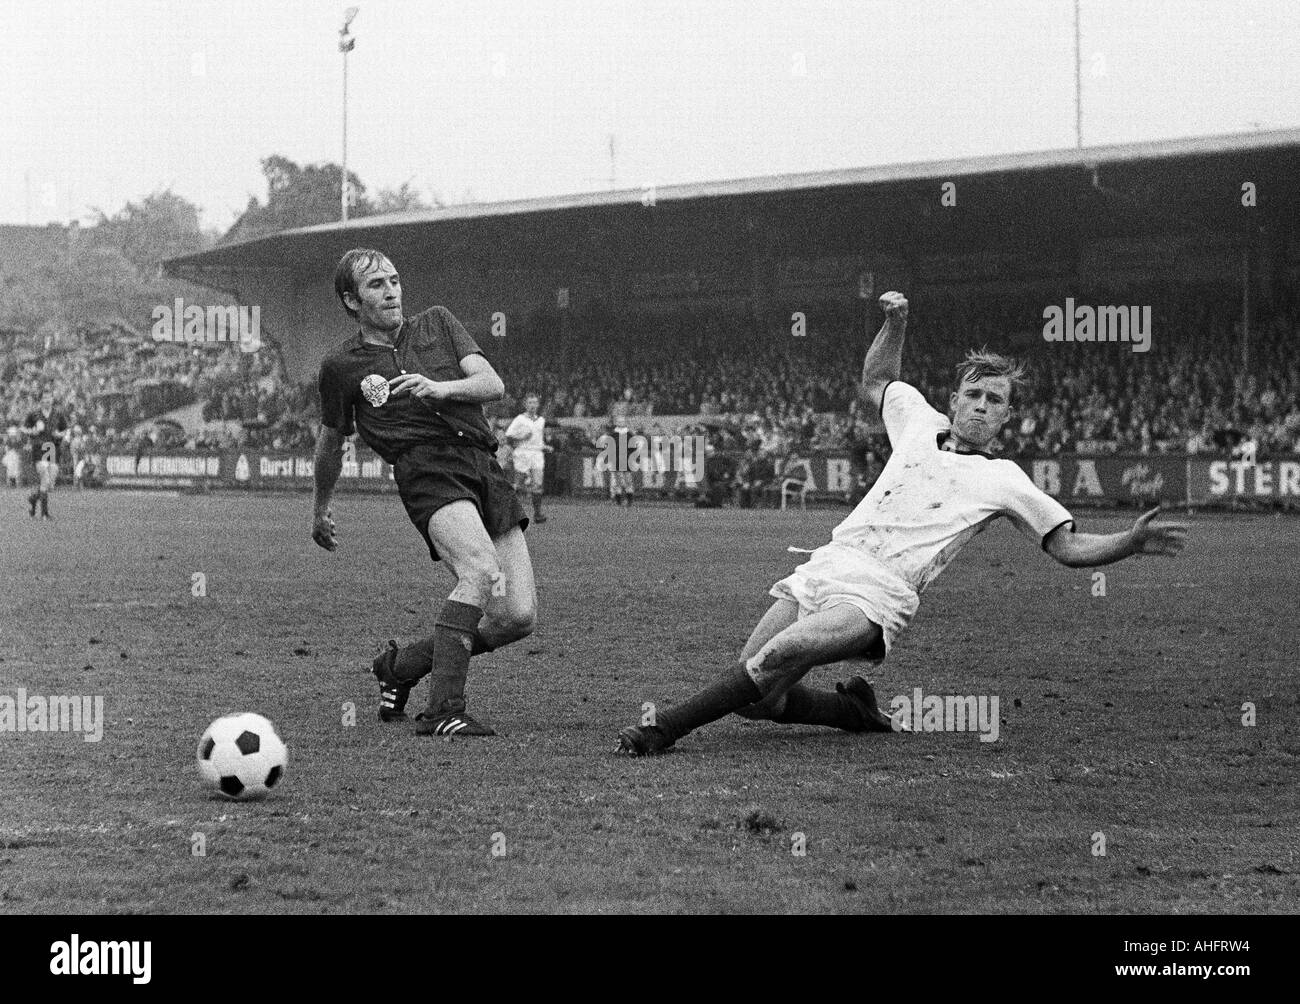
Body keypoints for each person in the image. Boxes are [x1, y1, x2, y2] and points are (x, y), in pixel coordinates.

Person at [617, 292, 1189, 756]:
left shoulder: (1006, 480)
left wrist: (1128, 542)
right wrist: (896, 321)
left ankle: (663, 729)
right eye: (975, 394)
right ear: (955, 398)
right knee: (756, 701)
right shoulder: (918, 421)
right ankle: (850, 711)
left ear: (1008, 414)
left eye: (996, 399)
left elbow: (1066, 545)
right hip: (829, 562)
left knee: (776, 656)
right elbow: (876, 380)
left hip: (879, 593)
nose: (983, 405)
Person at [312, 248, 537, 737]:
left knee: (517, 617)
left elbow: (491, 383)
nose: (391, 290)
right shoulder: (341, 365)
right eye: (376, 285)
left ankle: (400, 667)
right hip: (426, 470)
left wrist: (440, 388)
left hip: (483, 464)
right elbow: (332, 440)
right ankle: (444, 710)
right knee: (478, 570)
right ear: (351, 301)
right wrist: (321, 507)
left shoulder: (438, 322)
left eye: (394, 280)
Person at [21, 390, 69, 521]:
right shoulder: (34, 414)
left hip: (53, 448)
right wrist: (35, 430)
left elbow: (66, 430)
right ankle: (44, 514)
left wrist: (60, 434)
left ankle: (33, 499)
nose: (47, 400)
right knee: (45, 478)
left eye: (49, 398)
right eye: (45, 398)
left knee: (50, 484)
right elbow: (23, 429)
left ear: (52, 400)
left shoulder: (58, 414)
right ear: (41, 400)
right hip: (39, 447)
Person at [505, 394, 552, 524]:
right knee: (519, 483)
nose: (532, 405)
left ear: (538, 405)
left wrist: (545, 446)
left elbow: (538, 439)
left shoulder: (541, 420)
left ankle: (538, 514)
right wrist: (522, 437)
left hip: (537, 454)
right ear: (526, 405)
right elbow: (508, 435)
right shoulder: (520, 419)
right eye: (530, 403)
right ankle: (510, 513)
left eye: (535, 403)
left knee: (537, 484)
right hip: (522, 453)